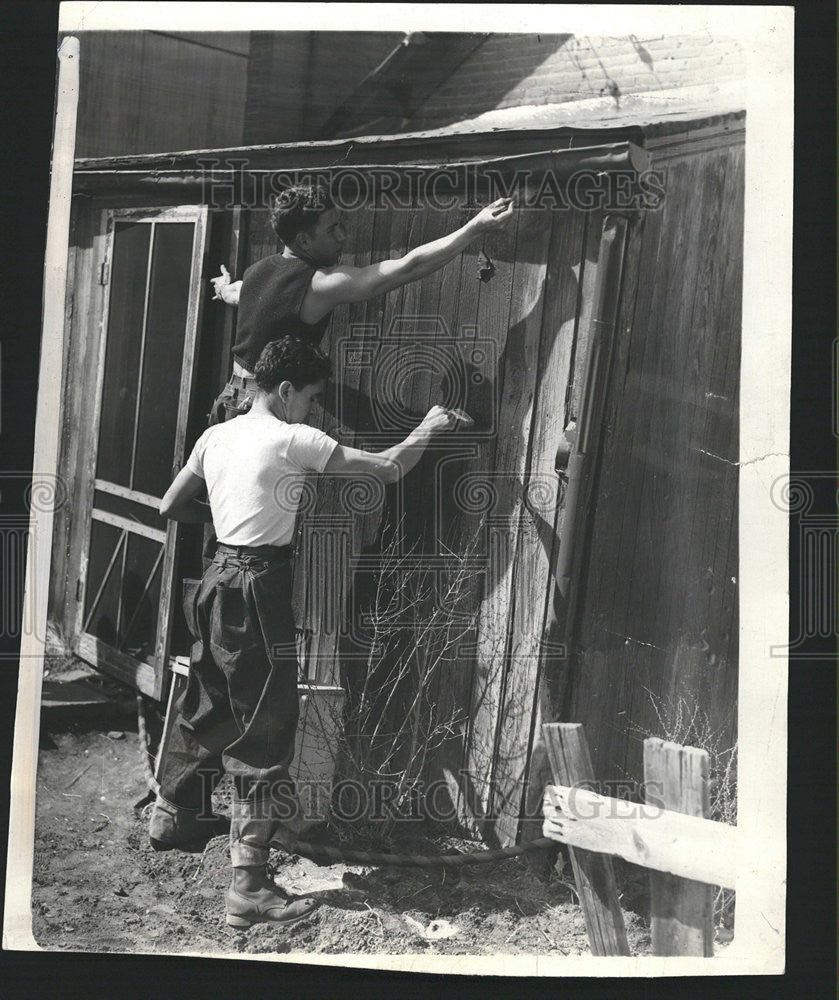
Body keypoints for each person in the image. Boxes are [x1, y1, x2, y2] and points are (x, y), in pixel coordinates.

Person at [149, 336, 471, 929]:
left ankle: (171, 813)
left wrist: (224, 520)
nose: (314, 410)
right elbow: (391, 469)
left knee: (211, 700)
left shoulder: (217, 436)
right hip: (256, 588)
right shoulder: (293, 437)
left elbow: (170, 506)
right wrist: (430, 424)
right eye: (311, 397)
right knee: (266, 730)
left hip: (215, 581)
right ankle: (247, 889)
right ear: (287, 390)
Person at [207, 182, 514, 424]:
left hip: (231, 399)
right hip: (264, 411)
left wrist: (221, 289)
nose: (342, 236)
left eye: (340, 224)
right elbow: (408, 267)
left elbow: (236, 293)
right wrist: (475, 227)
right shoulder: (319, 284)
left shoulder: (258, 272)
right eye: (331, 229)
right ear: (303, 242)